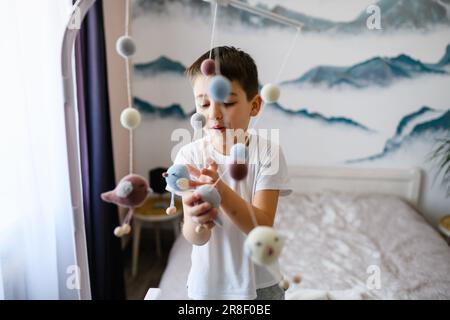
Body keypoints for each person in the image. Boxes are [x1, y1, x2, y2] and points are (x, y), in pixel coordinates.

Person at [169, 46, 291, 300]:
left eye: (227, 101)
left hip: (262, 284)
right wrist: (196, 218)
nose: (213, 113)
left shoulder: (268, 152)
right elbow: (195, 238)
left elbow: (262, 226)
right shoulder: (189, 157)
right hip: (208, 286)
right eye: (203, 103)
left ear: (254, 105)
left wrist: (220, 189)